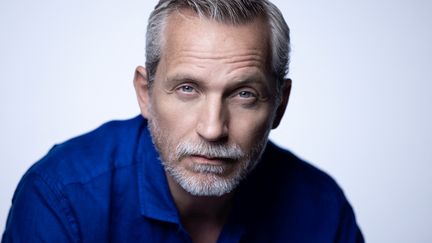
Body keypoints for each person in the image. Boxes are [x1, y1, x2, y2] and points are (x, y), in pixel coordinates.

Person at [2, 0, 364, 242]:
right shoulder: (61, 198)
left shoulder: (322, 211)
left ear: (279, 106)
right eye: (188, 88)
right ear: (146, 93)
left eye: (244, 94)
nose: (212, 129)